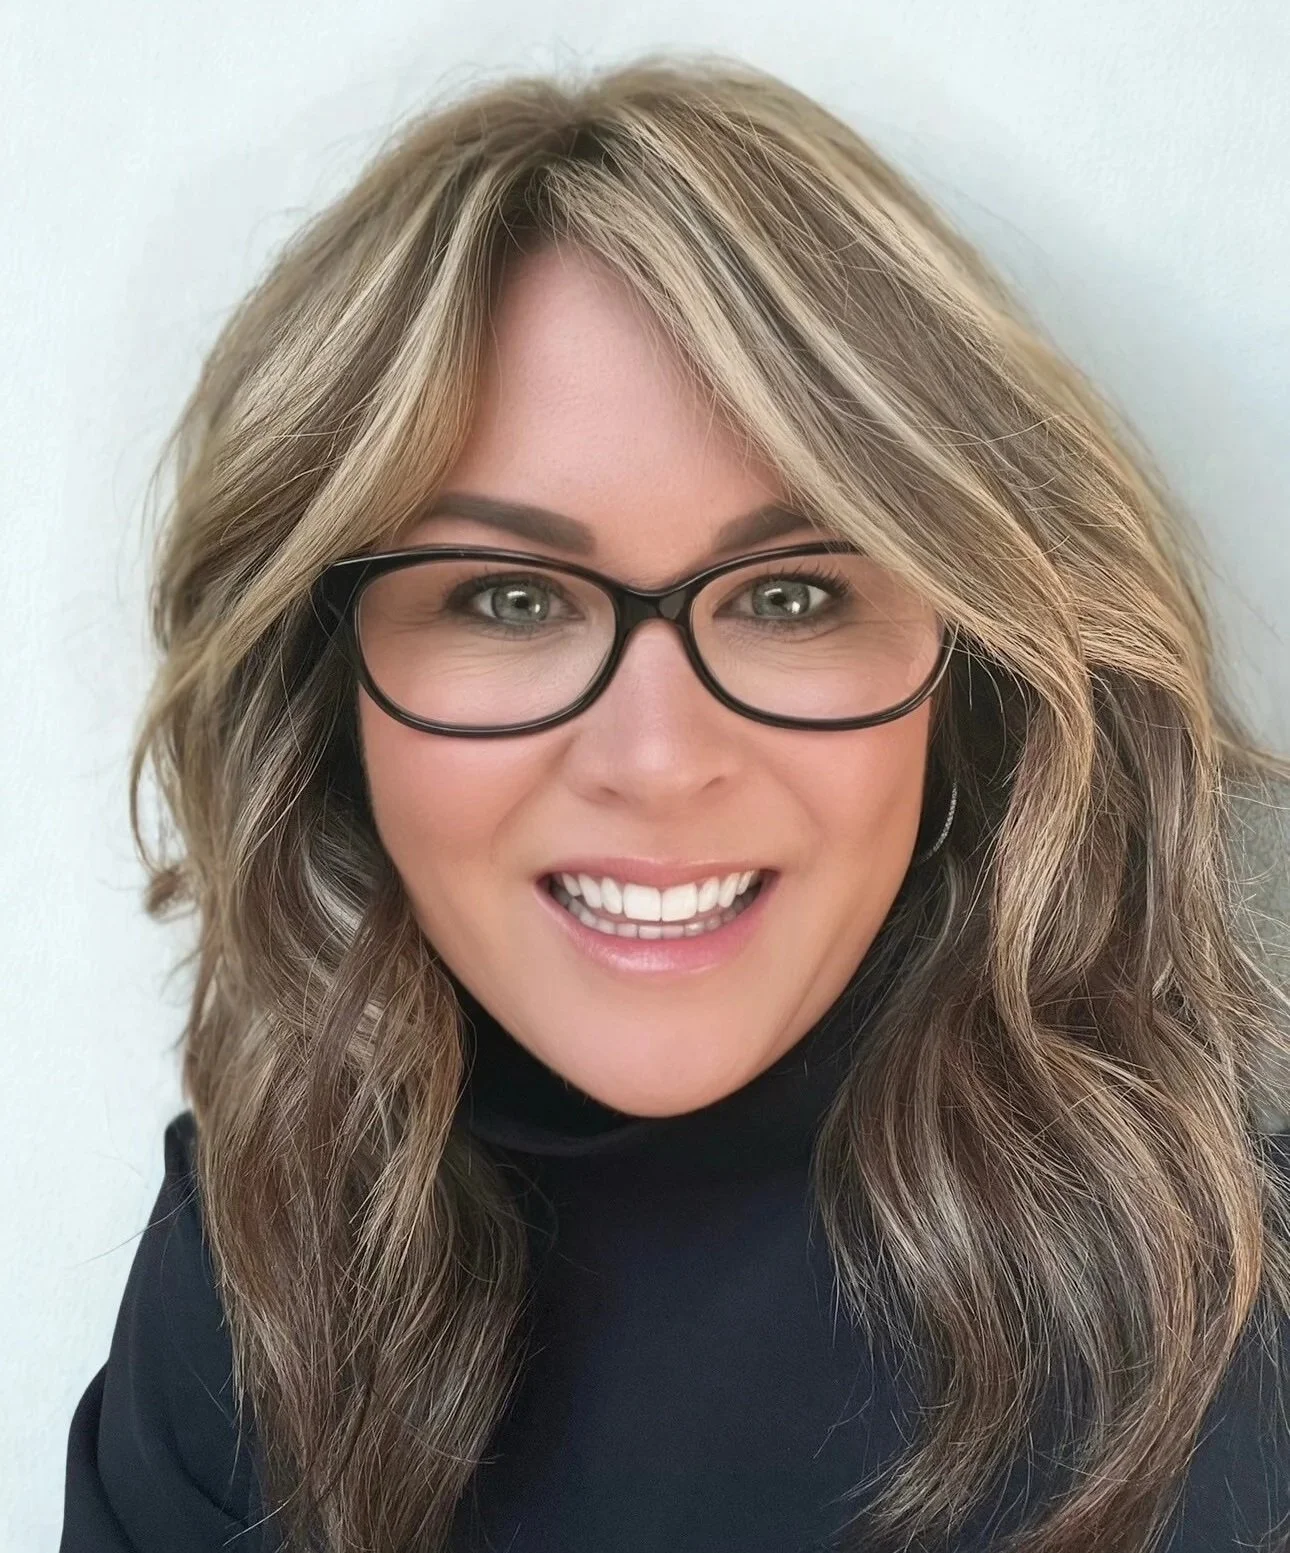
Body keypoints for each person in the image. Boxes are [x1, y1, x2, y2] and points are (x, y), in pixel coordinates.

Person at [59, 52, 1290, 1553]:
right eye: (507, 598)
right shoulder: (266, 1240)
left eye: (789, 592)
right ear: (327, 690)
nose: (656, 758)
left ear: (973, 664)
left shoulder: (1238, 1256)